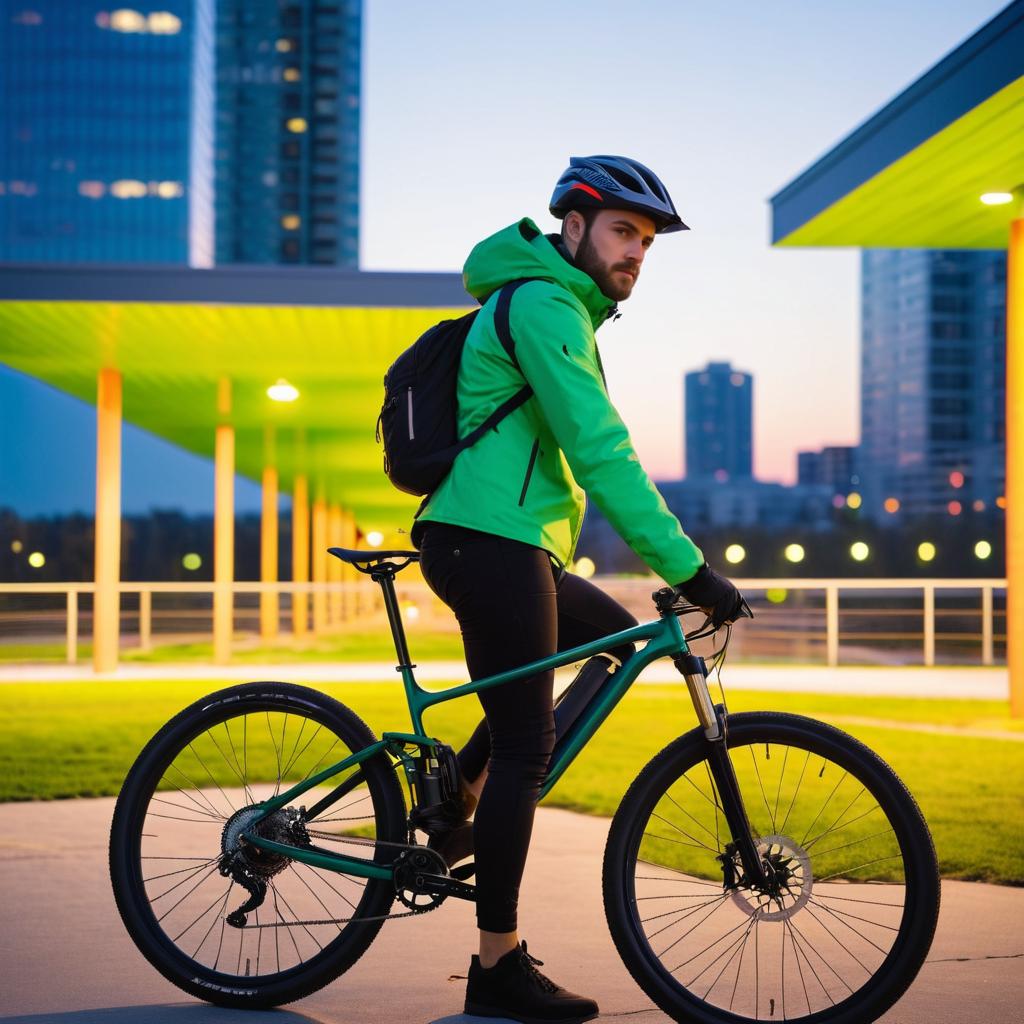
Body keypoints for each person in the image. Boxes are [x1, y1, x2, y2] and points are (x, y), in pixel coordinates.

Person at [410, 155, 746, 1024]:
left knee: (618, 637)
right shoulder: (545, 304)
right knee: (530, 744)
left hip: (511, 540)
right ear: (573, 226)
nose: (636, 251)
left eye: (646, 240)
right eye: (622, 231)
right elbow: (601, 450)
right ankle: (497, 966)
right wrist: (690, 569)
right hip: (487, 539)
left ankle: (458, 800)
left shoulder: (554, 305)